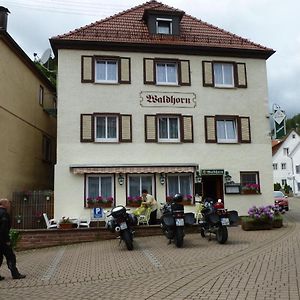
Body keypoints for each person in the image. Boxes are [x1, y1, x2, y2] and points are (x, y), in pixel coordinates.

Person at [0, 198, 26, 280]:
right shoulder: (4, 214)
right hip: (3, 241)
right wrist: (7, 240)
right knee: (10, 257)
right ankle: (15, 274)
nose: (9, 205)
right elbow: (3, 229)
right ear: (5, 204)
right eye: (8, 204)